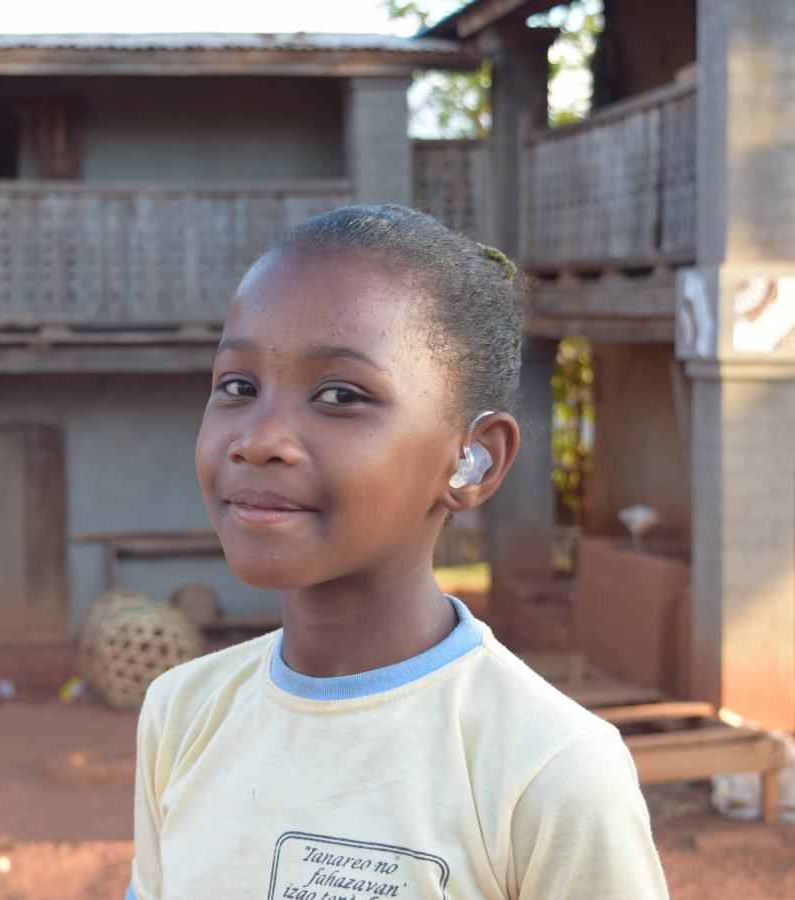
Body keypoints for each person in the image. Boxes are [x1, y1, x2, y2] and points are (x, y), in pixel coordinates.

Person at [126, 205, 669, 899]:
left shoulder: (548, 768)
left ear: (474, 459)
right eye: (238, 386)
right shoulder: (182, 714)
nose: (258, 438)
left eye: (340, 395)